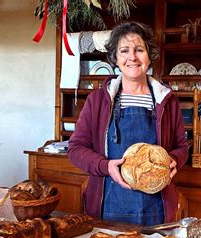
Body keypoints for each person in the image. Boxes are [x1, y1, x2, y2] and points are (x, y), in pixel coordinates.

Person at [68, 22, 189, 226]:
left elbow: (181, 147)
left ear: (149, 56)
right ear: (115, 58)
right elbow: (75, 149)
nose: (132, 57)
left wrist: (174, 160)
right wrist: (106, 166)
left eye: (139, 50)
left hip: (156, 207)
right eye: (124, 51)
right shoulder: (97, 100)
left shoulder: (167, 100)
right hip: (108, 205)